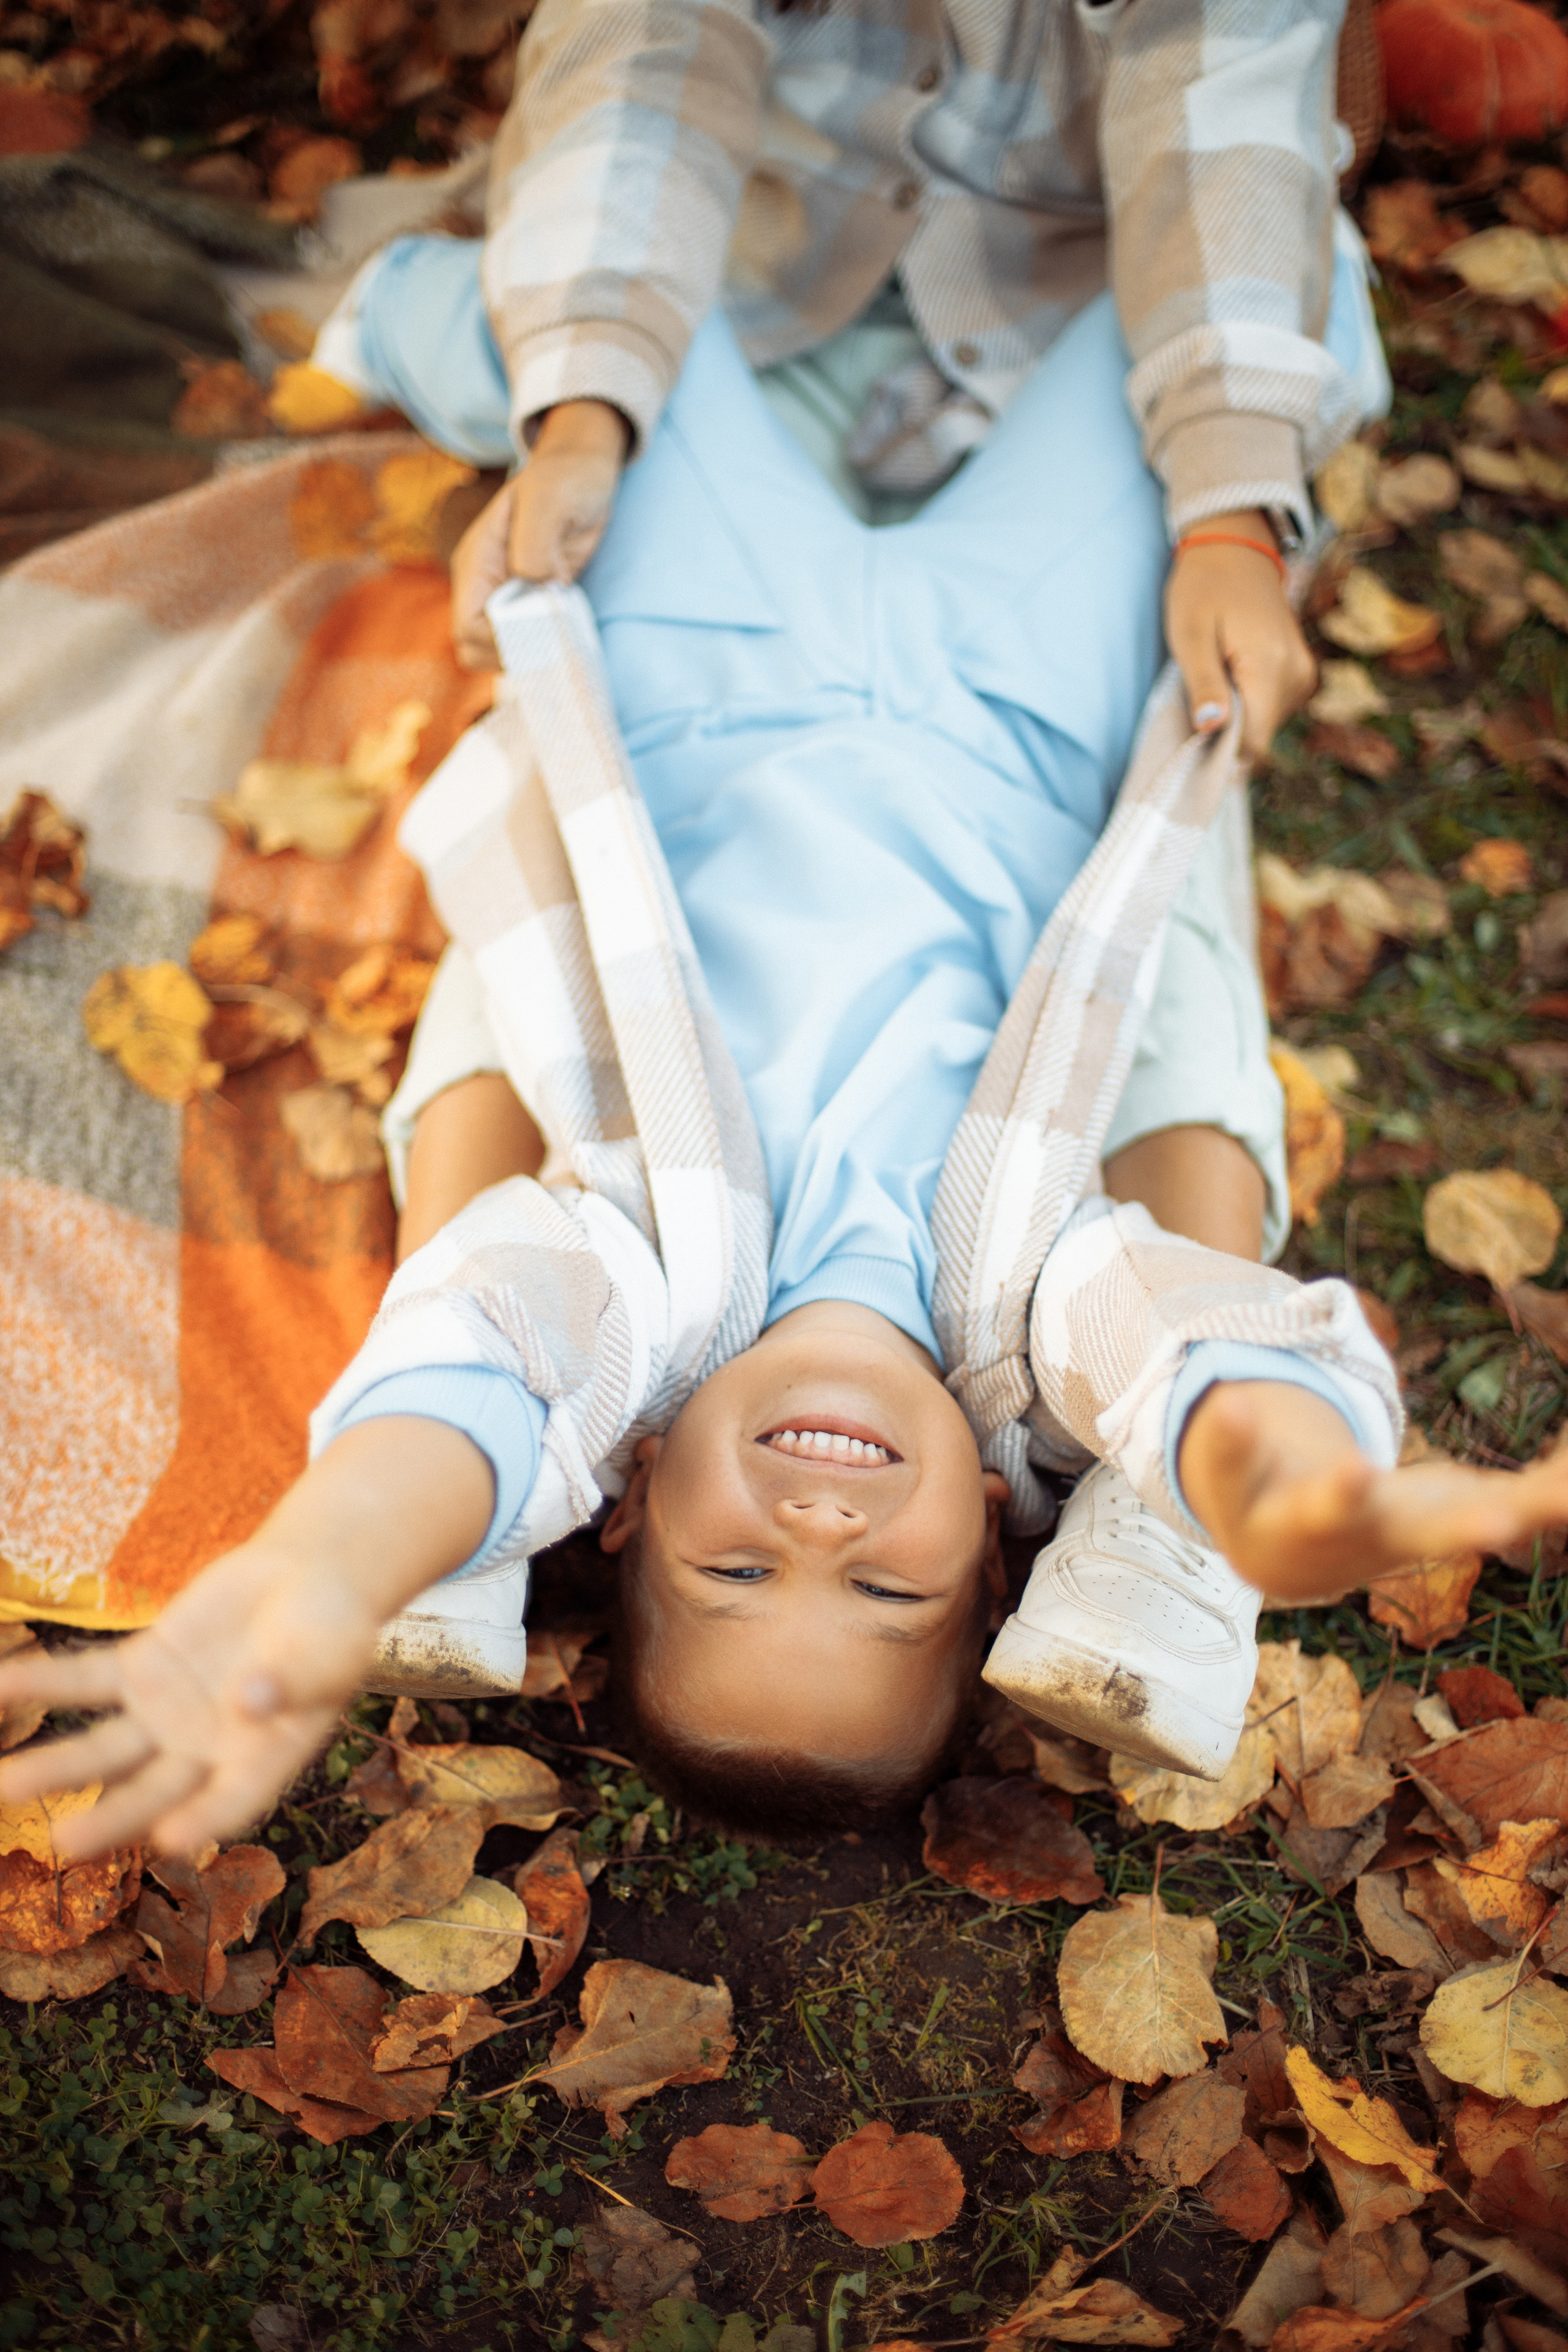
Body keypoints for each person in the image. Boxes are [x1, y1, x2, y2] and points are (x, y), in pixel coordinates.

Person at [7, 0, 1568, 1861]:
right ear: (991, 1539)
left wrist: (333, 1567)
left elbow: (489, 1367)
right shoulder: (1028, 1313)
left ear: (634, 1484)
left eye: (732, 1572)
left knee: (582, 361)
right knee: (1276, 302)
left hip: (691, 655)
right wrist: (1279, 1493)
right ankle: (1172, 1568)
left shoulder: (651, 1298)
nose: (816, 1539)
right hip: (1029, 695)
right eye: (884, 1597)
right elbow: (1185, 1349)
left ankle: (495, 337)